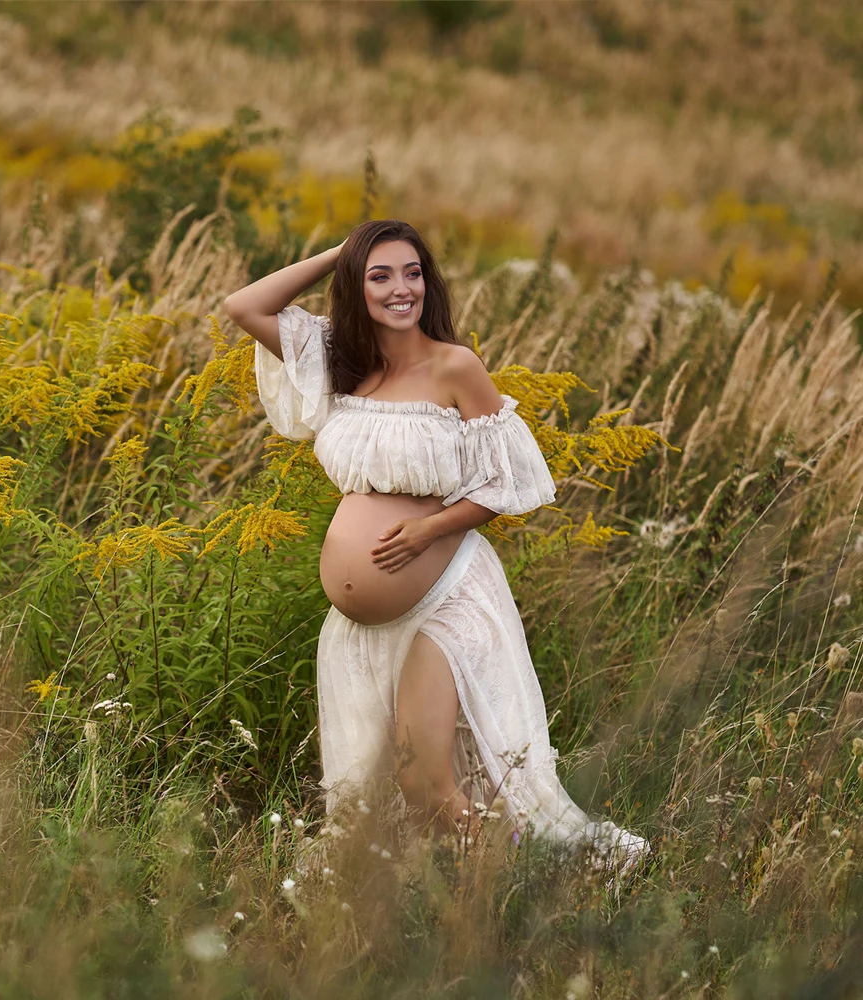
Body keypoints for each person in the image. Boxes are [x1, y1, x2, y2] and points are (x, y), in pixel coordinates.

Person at [224, 219, 648, 871]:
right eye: (381, 275)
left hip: (447, 602)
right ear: (355, 285)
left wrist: (427, 529)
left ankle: (516, 882)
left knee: (424, 782)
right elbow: (244, 305)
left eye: (413, 272)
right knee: (386, 796)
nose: (402, 288)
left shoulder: (456, 367)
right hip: (365, 629)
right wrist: (345, 250)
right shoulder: (341, 361)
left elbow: (510, 482)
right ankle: (488, 884)